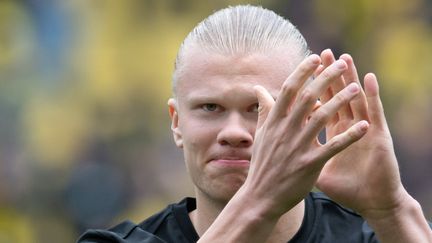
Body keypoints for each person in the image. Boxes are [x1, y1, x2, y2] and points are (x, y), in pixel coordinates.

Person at [78, 5, 432, 243]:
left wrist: (392, 208)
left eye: (260, 109)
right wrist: (262, 199)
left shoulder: (374, 236)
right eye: (210, 107)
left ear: (309, 118)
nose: (233, 132)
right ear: (176, 124)